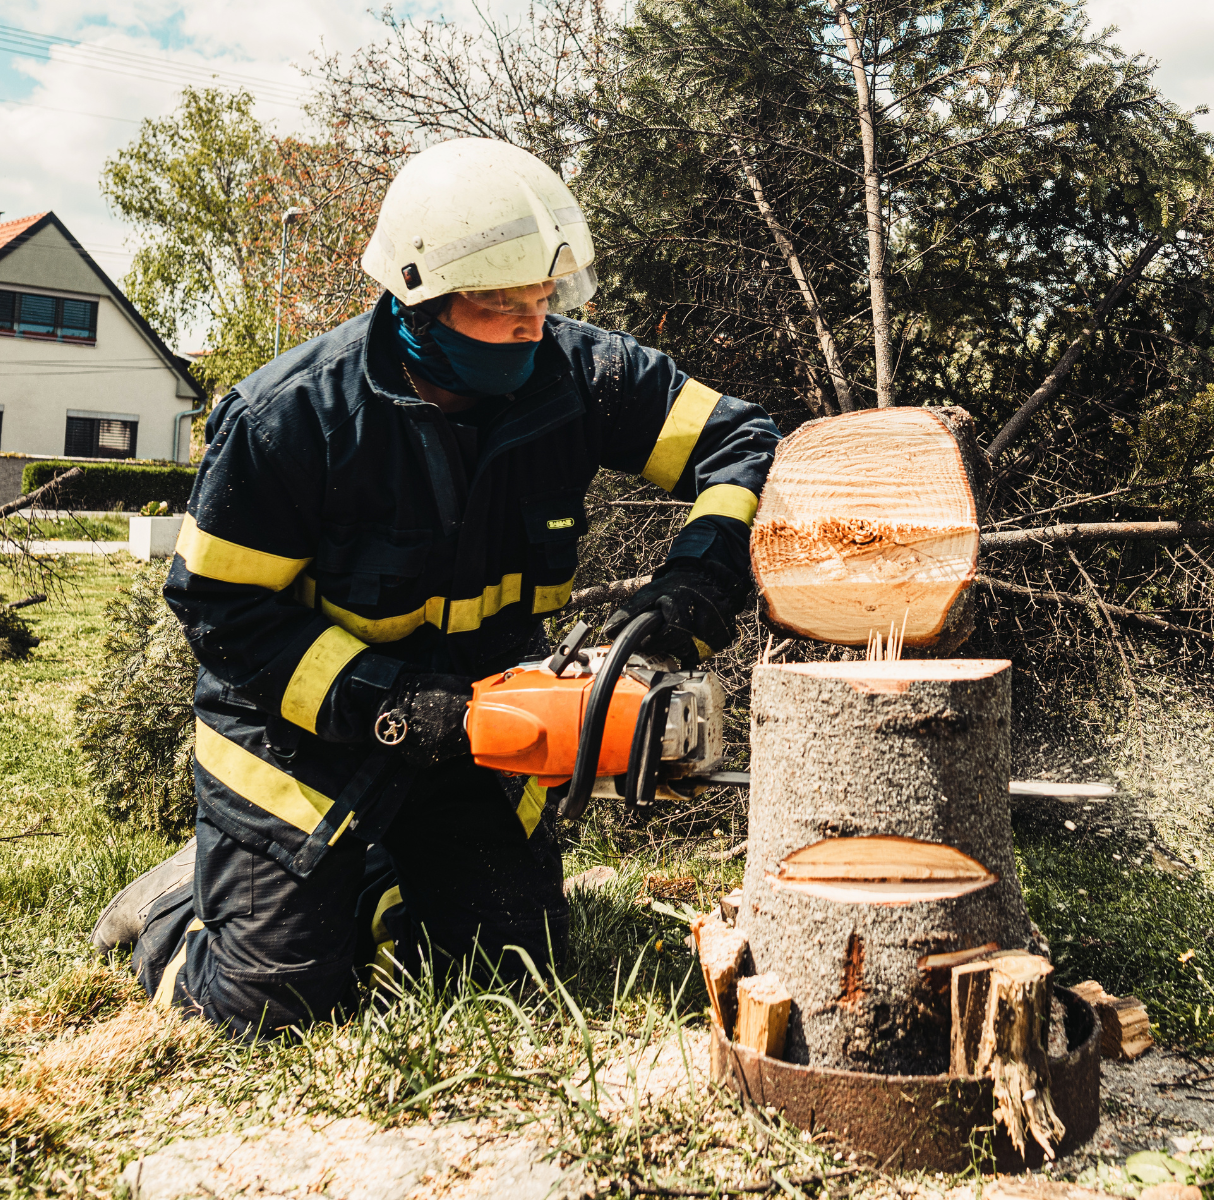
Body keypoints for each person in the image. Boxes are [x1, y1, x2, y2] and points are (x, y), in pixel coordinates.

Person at [89, 137, 779, 1038]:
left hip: (478, 719)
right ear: (418, 300)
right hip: (294, 738)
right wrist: (396, 707)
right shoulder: (288, 419)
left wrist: (695, 587)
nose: (533, 328)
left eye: (544, 299)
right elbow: (225, 614)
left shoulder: (580, 377)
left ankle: (371, 882)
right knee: (270, 1006)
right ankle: (181, 906)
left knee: (511, 972)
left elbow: (743, 442)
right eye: (501, 309)